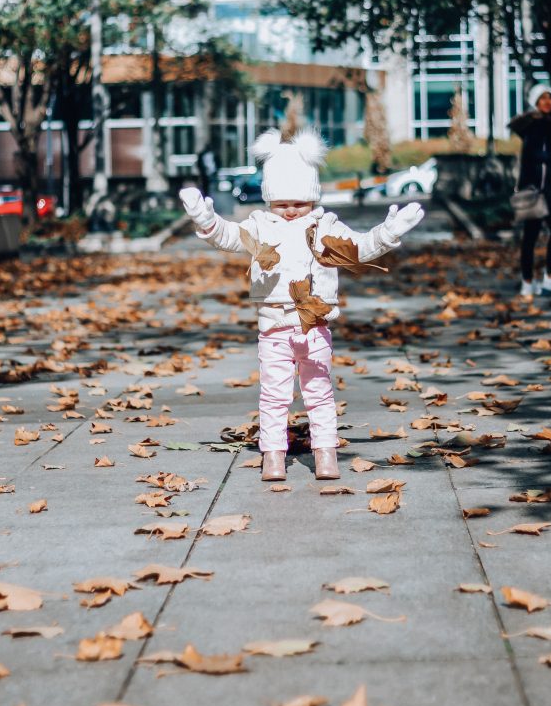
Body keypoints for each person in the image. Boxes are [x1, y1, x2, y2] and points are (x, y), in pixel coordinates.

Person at [179, 127, 425, 483]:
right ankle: (273, 456)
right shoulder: (260, 225)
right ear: (268, 200)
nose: (291, 210)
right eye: (281, 203)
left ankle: (325, 453)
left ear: (312, 197)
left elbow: (359, 248)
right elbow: (230, 237)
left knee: (319, 393)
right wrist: (205, 219)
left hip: (315, 327)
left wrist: (389, 231)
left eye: (299, 202)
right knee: (274, 396)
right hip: (274, 328)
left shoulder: (324, 225)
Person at [510, 84, 551, 298]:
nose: (548, 102)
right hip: (543, 189)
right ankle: (550, 279)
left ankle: (528, 283)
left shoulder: (537, 124)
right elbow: (533, 155)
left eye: (550, 98)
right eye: (543, 98)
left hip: (535, 187)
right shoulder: (542, 124)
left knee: (531, 236)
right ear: (535, 102)